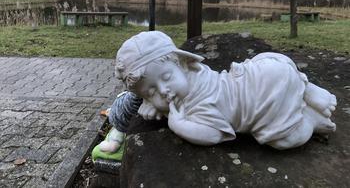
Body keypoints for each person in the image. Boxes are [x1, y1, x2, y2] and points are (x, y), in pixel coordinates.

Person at [107, 31, 336, 151]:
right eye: (151, 92)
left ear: (184, 63)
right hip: (261, 72)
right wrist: (155, 105)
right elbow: (170, 98)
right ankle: (303, 87)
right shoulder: (195, 75)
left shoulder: (202, 101)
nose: (164, 91)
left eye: (166, 77)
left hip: (260, 105)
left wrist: (177, 124)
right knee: (265, 61)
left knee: (284, 140)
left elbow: (213, 135)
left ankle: (310, 118)